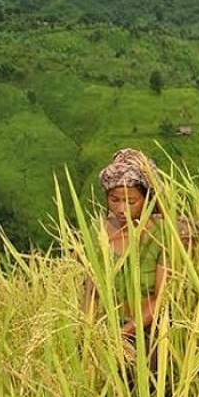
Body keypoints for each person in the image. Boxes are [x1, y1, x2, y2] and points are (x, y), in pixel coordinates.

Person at [84, 148, 167, 371]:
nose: (121, 209)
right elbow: (92, 288)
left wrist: (124, 333)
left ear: (147, 198)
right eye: (114, 199)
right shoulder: (99, 231)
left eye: (131, 202)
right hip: (107, 333)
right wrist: (89, 332)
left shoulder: (162, 235)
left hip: (149, 336)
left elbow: (161, 297)